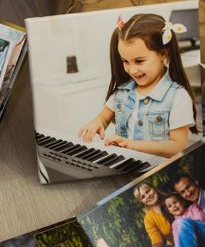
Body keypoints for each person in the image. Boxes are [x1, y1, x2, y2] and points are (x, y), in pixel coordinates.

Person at [78, 14, 197, 158]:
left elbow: (178, 146)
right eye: (125, 61)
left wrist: (132, 145)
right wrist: (95, 124)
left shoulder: (178, 96)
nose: (131, 70)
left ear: (163, 55)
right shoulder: (122, 92)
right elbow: (103, 118)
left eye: (139, 61)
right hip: (125, 165)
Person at [133, 182, 174, 247]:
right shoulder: (149, 218)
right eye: (143, 196)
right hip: (176, 246)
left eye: (148, 191)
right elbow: (157, 242)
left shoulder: (172, 198)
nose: (148, 196)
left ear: (154, 188)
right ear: (142, 201)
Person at [172, 175, 205, 247]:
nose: (187, 193)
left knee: (183, 223)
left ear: (196, 182)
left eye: (188, 187)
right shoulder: (194, 207)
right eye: (182, 192)